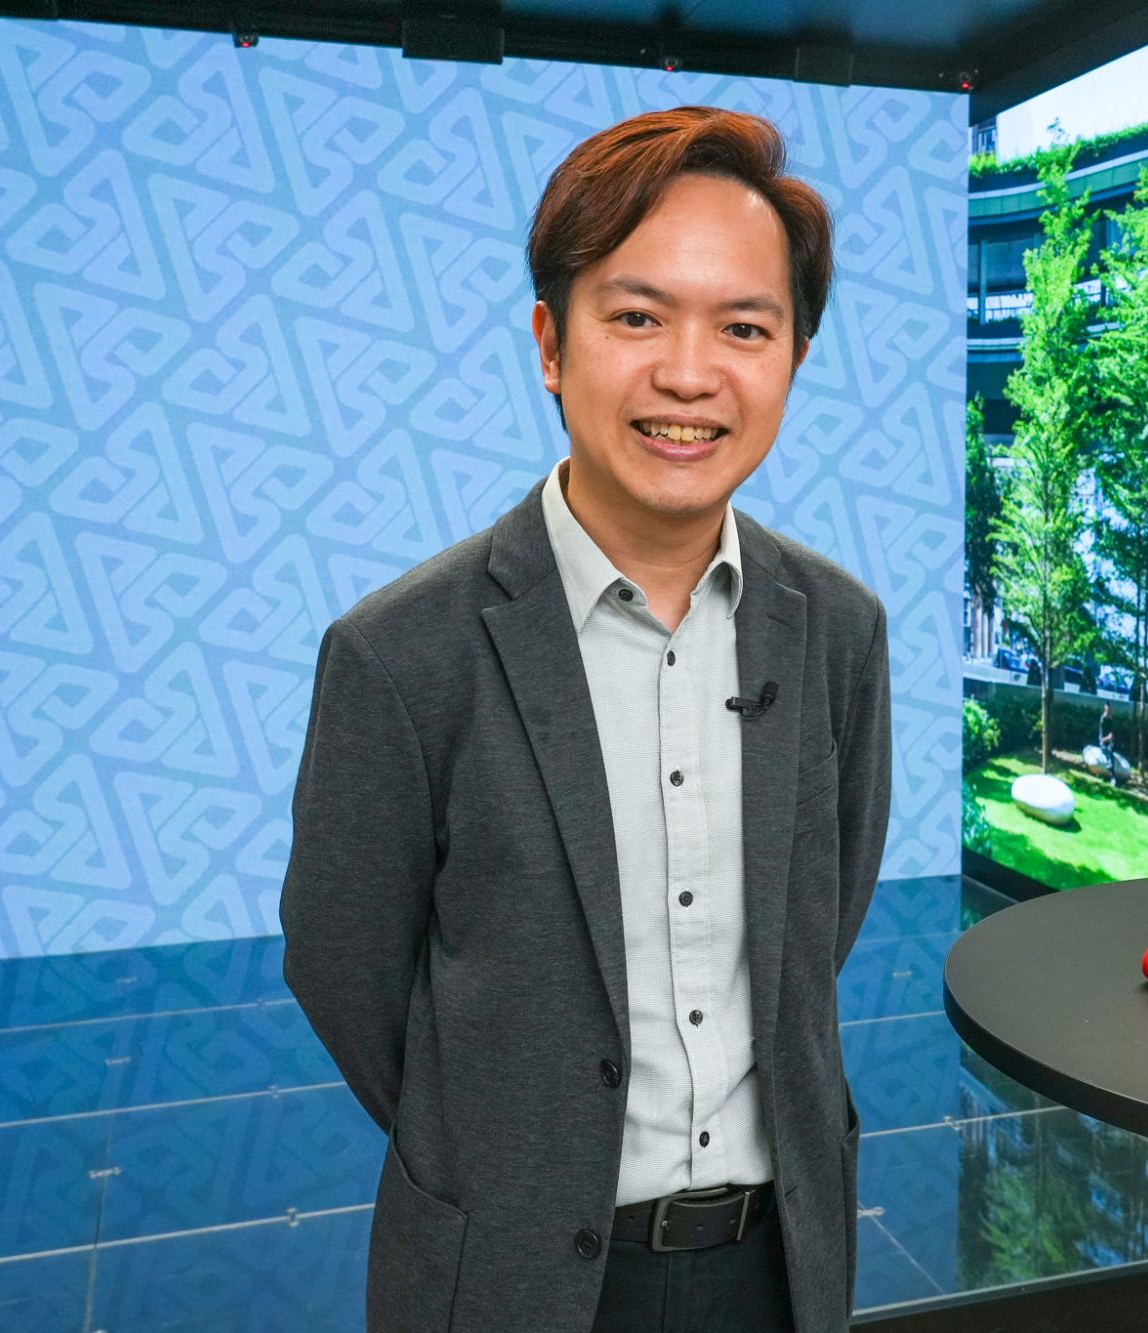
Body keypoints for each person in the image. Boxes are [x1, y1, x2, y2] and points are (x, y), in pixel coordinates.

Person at [279, 108, 890, 1333]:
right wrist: (505, 1141)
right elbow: (343, 966)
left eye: (744, 327)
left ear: (793, 356)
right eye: (637, 316)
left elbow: (818, 928)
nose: (688, 374)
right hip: (508, 1270)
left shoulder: (836, 628)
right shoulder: (400, 653)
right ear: (551, 345)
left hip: (777, 1269)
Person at [1098, 702, 1119, 787]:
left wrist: (1110, 738)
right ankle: (1112, 777)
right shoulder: (1102, 719)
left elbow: (1111, 734)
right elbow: (1101, 738)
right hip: (1103, 741)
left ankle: (1112, 776)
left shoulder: (1110, 720)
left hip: (1109, 741)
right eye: (1107, 710)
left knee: (1110, 751)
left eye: (1109, 710)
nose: (1108, 711)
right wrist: (1106, 738)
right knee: (1106, 751)